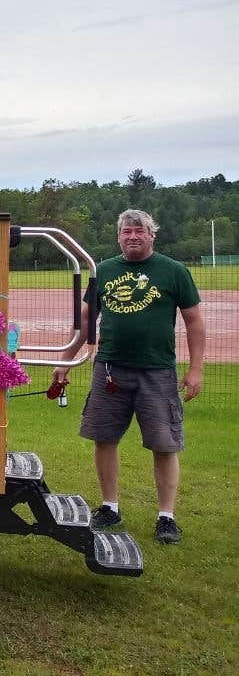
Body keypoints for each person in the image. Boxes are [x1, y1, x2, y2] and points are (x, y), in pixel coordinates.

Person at [51, 209, 206, 544]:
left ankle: (166, 516)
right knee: (104, 438)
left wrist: (196, 369)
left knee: (164, 444)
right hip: (110, 369)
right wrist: (64, 361)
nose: (132, 236)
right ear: (119, 236)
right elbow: (87, 321)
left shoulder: (174, 271)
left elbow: (194, 321)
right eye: (126, 231)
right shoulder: (103, 271)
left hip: (158, 371)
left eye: (139, 231)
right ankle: (110, 506)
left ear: (152, 234)